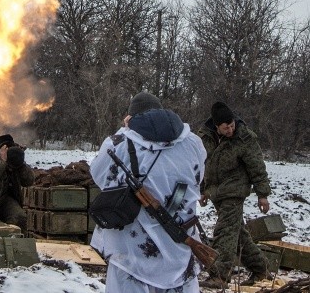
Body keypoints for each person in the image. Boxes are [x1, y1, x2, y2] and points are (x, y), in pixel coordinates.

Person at [89, 91, 207, 293]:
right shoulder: (194, 143)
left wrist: (124, 129)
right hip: (180, 246)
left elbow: (99, 176)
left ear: (132, 117)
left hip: (132, 252)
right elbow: (198, 177)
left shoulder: (119, 142)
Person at [198, 101, 271, 288]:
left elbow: (257, 167)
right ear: (216, 126)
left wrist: (262, 194)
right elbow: (201, 164)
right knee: (237, 234)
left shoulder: (244, 138)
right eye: (226, 127)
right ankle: (261, 269)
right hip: (216, 191)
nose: (230, 129)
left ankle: (220, 274)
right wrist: (202, 190)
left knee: (224, 231)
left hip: (235, 191)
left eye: (232, 125)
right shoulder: (205, 137)